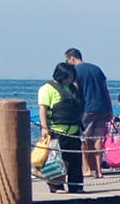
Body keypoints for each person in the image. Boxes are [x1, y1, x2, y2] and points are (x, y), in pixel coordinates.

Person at [38, 60, 85, 191]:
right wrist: (44, 127)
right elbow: (43, 108)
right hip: (57, 130)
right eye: (67, 76)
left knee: (75, 160)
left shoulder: (72, 88)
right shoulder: (47, 88)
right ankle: (56, 185)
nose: (70, 79)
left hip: (74, 130)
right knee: (56, 159)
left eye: (71, 76)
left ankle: (76, 185)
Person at [66, 48, 110, 182]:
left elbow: (76, 91)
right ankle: (98, 170)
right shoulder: (97, 69)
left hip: (85, 108)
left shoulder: (76, 71)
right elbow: (105, 89)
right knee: (97, 139)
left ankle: (85, 169)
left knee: (83, 139)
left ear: (72, 58)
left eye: (67, 60)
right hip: (101, 107)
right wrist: (109, 109)